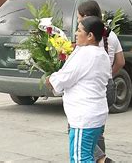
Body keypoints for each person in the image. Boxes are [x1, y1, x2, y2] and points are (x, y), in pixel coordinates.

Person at [46, 16, 111, 163]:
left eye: (79, 30)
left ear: (90, 36)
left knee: (80, 158)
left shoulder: (85, 54)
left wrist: (51, 79)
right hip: (96, 114)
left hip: (84, 117)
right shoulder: (101, 54)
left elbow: (65, 78)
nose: (75, 33)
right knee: (89, 156)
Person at [77, 0, 125, 163]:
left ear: (86, 17)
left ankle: (102, 159)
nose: (78, 22)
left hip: (90, 89)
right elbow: (120, 61)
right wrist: (107, 75)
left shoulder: (87, 39)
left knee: (76, 127)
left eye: (79, 18)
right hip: (108, 86)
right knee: (97, 131)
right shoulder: (111, 35)